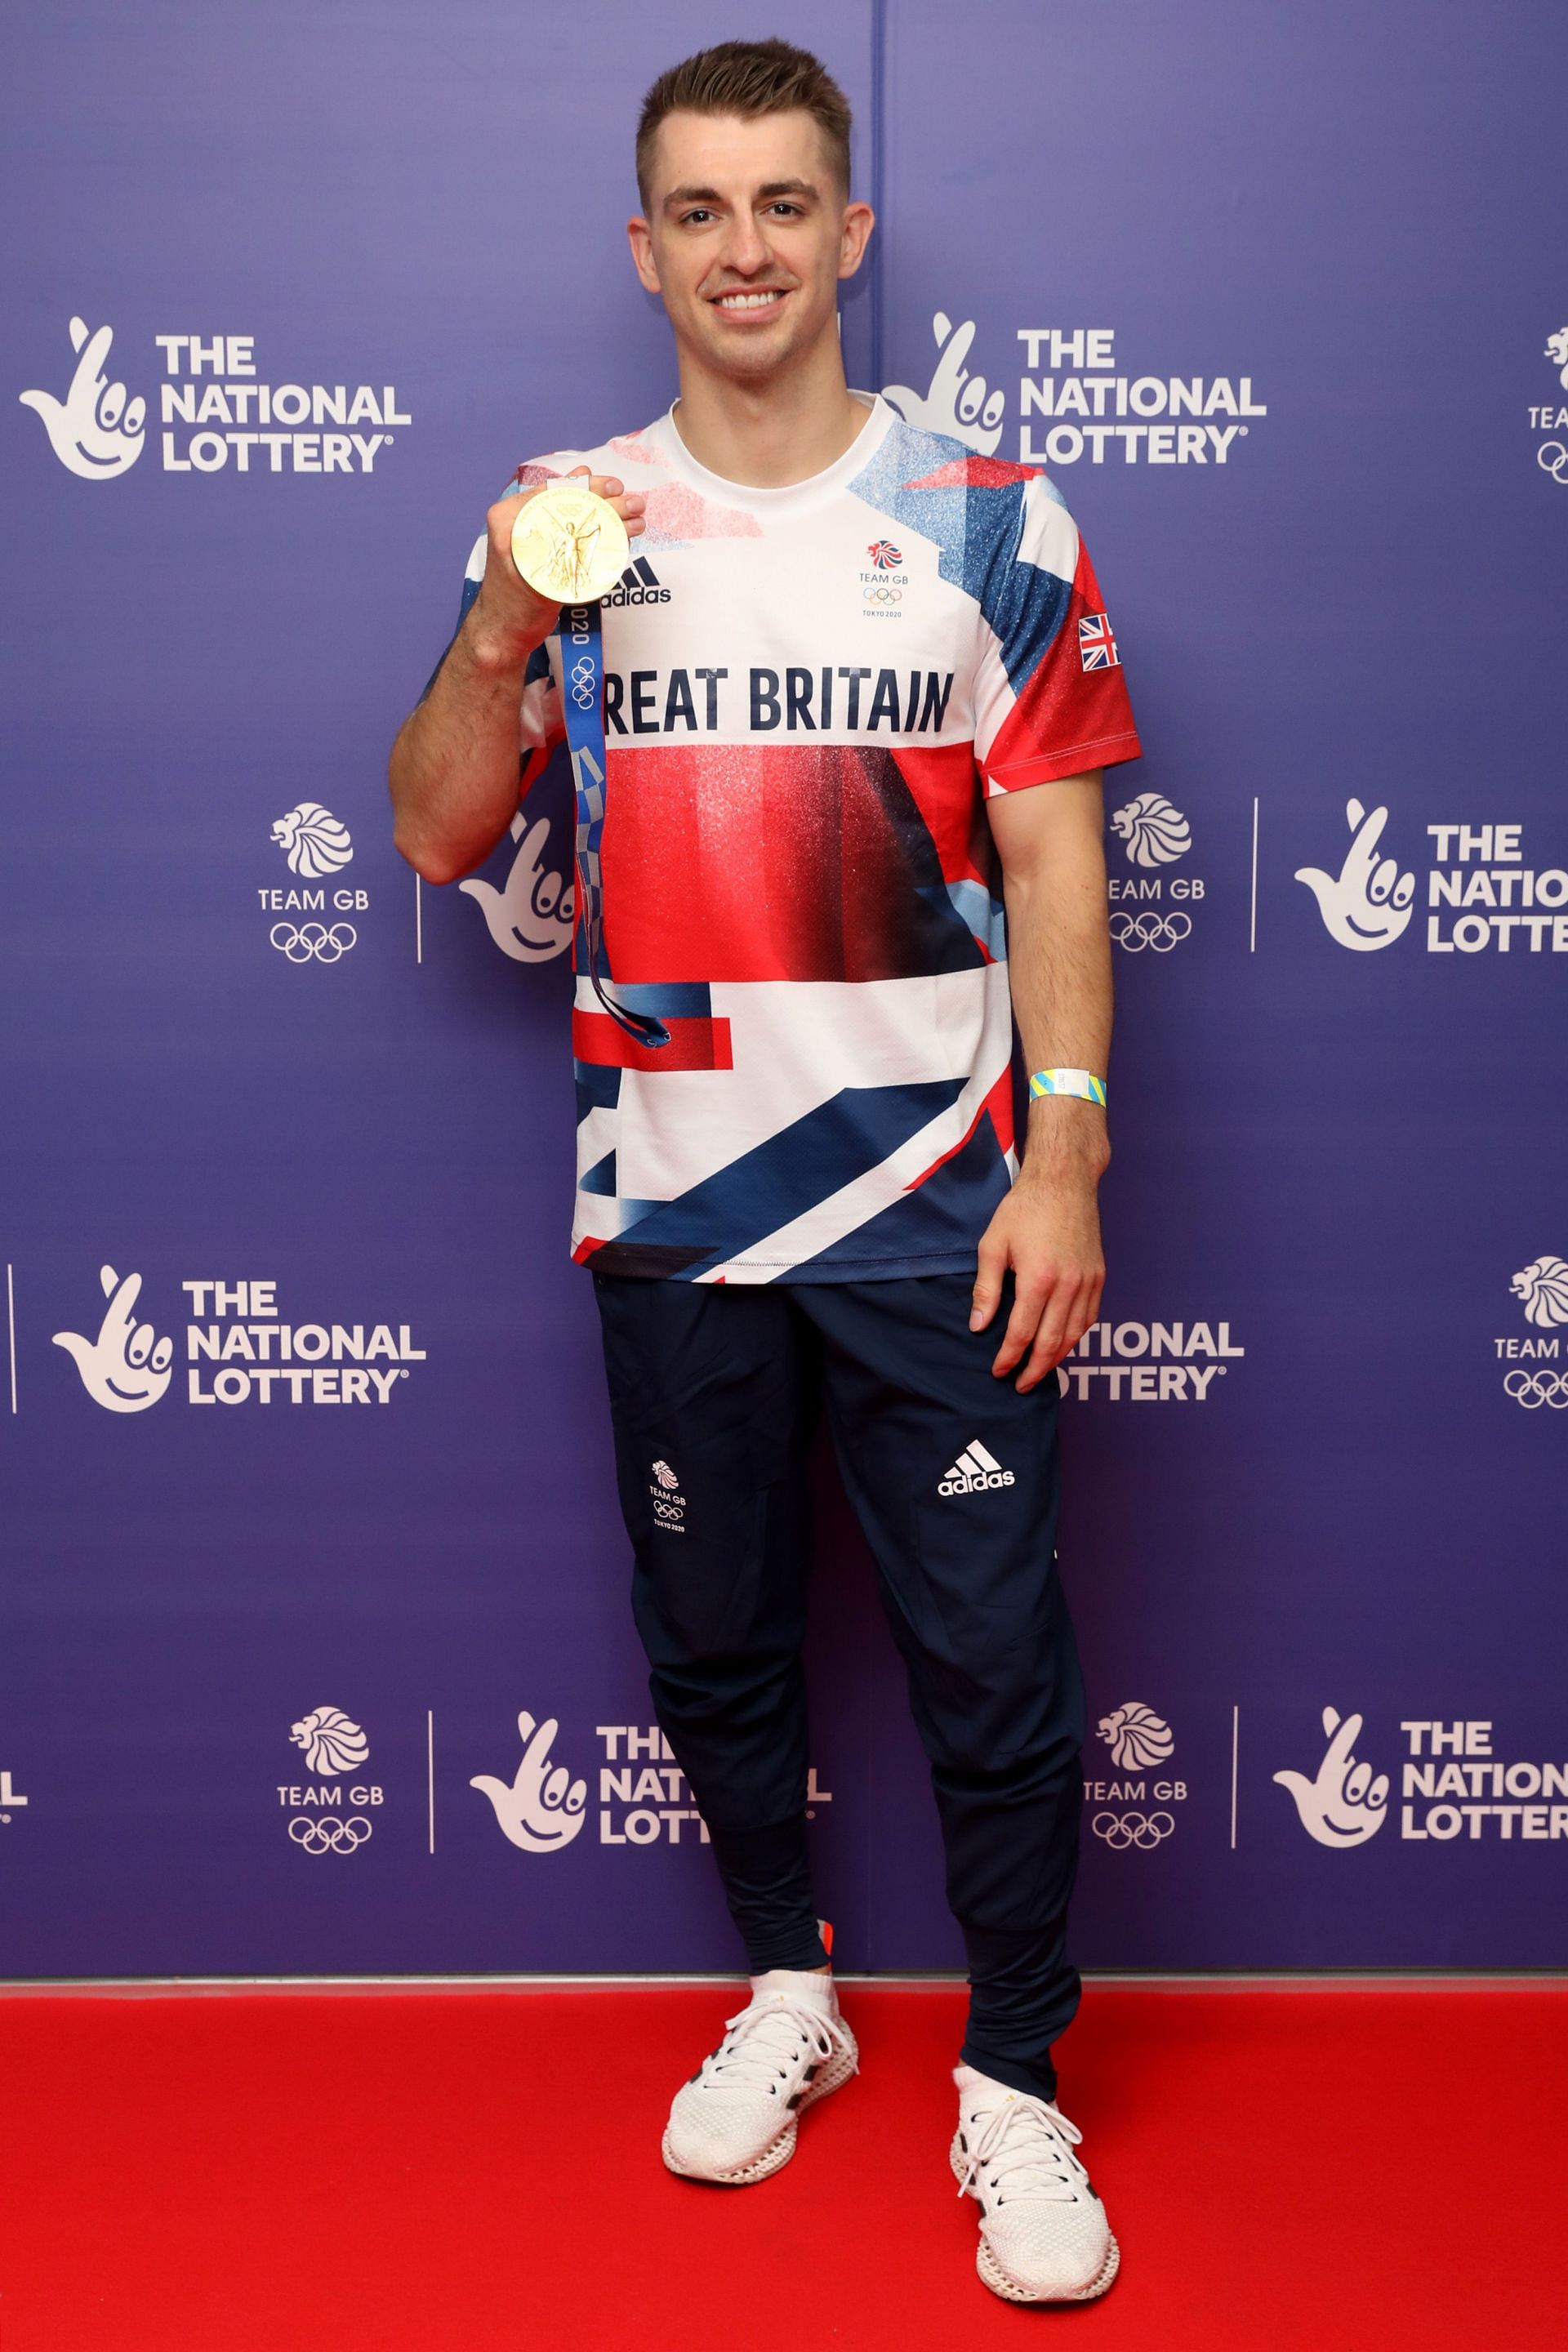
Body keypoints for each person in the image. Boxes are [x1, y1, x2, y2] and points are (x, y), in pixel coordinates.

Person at [389, 38, 1140, 2307]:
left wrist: (1071, 1161)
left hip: (942, 1201)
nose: (744, 248)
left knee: (993, 1669)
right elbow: (439, 826)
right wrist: (511, 622)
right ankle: (790, 1994)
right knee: (715, 1651)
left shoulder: (1000, 519)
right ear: (647, 250)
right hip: (679, 1212)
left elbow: (1056, 860)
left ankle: (1015, 2084)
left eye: (784, 206)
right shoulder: (573, 510)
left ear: (851, 236)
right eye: (700, 211)